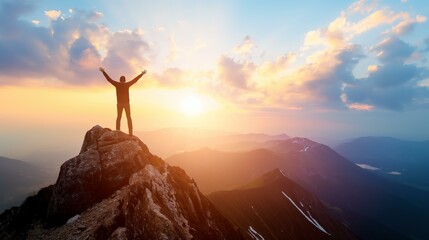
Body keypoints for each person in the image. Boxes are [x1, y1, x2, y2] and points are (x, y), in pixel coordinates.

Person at [99, 67, 146, 136]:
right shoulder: (127, 84)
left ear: (120, 80)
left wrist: (103, 72)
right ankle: (130, 132)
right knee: (128, 117)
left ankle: (117, 131)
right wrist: (142, 74)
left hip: (119, 104)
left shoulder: (117, 84)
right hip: (126, 104)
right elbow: (135, 80)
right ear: (125, 80)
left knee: (119, 117)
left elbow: (109, 79)